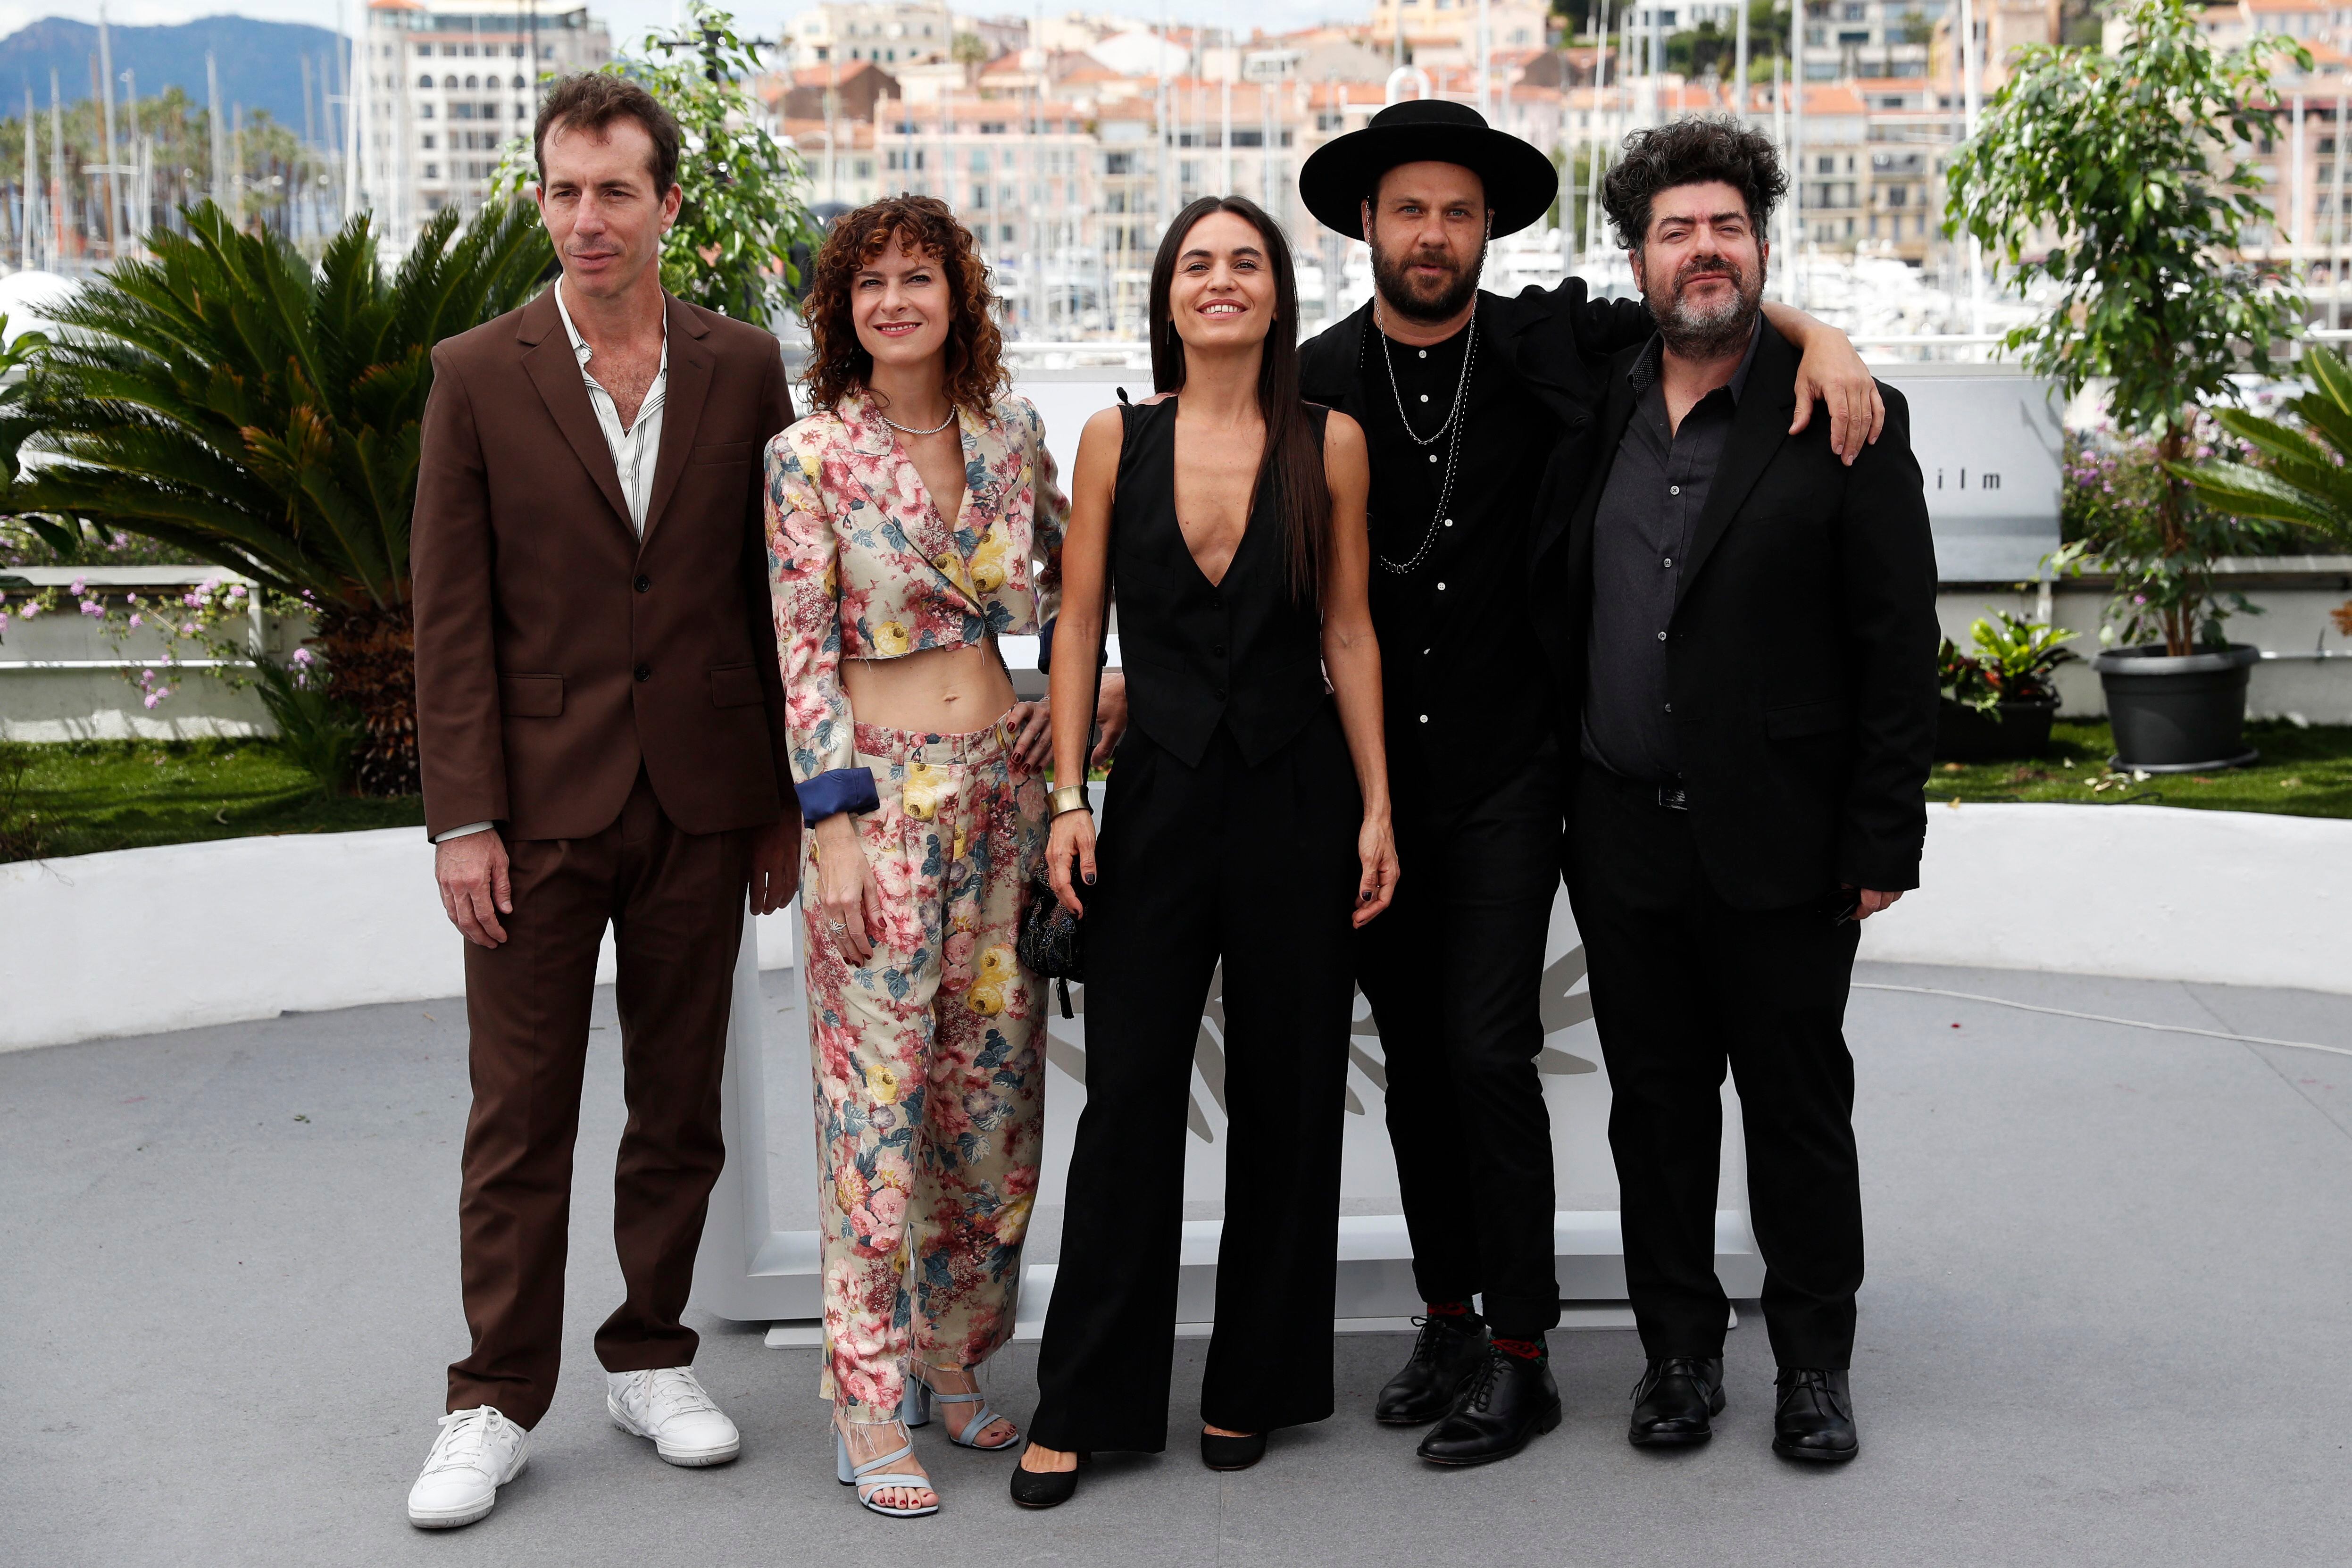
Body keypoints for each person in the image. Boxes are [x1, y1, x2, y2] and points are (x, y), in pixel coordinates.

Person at [1293, 96, 1887, 1466]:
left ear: (1488, 226)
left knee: (1490, 1051)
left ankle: (1523, 1346)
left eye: (1455, 209)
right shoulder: (1312, 378)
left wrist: (1824, 334)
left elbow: (1713, 306)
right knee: (1421, 1074)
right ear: (1367, 228)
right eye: (1407, 210)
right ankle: (1452, 1311)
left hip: (1516, 775)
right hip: (1371, 783)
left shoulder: (1554, 341)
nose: (1432, 233)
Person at [406, 74, 798, 1529]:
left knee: (679, 1102)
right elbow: (449, 618)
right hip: (533, 812)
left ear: (667, 205)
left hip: (702, 799)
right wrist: (462, 820)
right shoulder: (475, 373)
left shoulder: (747, 367)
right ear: (539, 199)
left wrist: (778, 804)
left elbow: (773, 604)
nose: (588, 219)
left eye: (615, 190)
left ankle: (650, 1353)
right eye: (564, 191)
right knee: (517, 1119)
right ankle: (491, 1396)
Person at [1543, 117, 1937, 1464]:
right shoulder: (1595, 382)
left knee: (1793, 1104)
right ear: (1638, 255)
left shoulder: (1841, 410)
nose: (1701, 251)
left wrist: (1885, 829)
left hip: (1782, 834)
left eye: (1725, 227)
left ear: (1760, 246)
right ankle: (1675, 1354)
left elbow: (1898, 641)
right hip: (1617, 826)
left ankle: (1813, 1362)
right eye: (1674, 229)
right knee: (1652, 1106)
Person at [1010, 195, 1399, 1509]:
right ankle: (1084, 1401)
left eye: (1244, 262)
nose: (1220, 281)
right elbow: (1075, 632)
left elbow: (1348, 630)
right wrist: (1068, 793)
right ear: (1167, 296)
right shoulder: (1116, 435)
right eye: (1196, 263)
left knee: (1290, 1100)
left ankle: (1254, 1381)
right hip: (1158, 800)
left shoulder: (1330, 442)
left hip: (1298, 796)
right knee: (1127, 1103)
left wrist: (1377, 809)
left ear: (1277, 294)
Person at [766, 194, 1101, 1518]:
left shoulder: (1010, 434)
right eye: (871, 283)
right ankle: (864, 1397)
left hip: (999, 804)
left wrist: (1084, 698)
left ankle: (953, 1359)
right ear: (842, 311)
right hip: (880, 818)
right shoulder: (809, 456)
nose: (895, 299)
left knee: (990, 1114)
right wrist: (833, 824)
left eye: (920, 277)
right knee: (877, 1117)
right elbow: (798, 651)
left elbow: (1075, 585)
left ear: (959, 297)